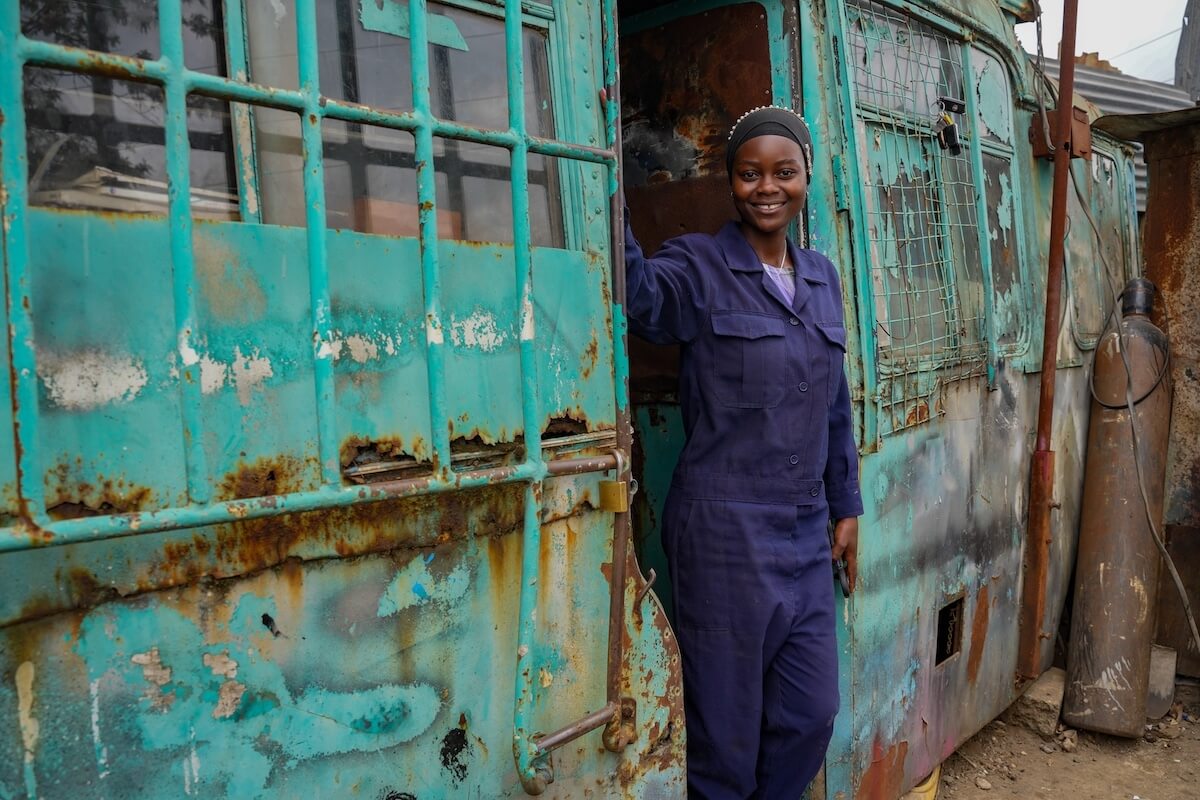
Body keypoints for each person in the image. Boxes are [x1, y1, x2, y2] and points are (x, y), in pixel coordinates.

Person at [623, 106, 863, 799]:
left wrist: (846, 506)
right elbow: (642, 300)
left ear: (806, 179)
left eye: (783, 173)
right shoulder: (699, 264)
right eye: (750, 173)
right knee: (724, 737)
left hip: (804, 529)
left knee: (810, 713)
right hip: (724, 532)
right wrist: (603, 192)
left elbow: (834, 403)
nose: (767, 188)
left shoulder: (821, 277)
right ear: (730, 183)